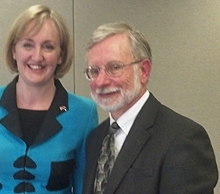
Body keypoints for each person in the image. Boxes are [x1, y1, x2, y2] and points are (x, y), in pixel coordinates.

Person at [0, 4, 98, 194]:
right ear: (14, 51)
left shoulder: (84, 114)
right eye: (28, 45)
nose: (37, 56)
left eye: (48, 46)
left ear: (61, 55)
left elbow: (86, 189)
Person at [82, 21, 218, 194]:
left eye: (114, 68)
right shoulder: (95, 139)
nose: (101, 81)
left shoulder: (183, 138)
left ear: (144, 71)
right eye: (94, 71)